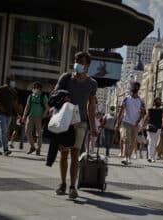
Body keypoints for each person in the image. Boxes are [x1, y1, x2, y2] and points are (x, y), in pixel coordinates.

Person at [53, 51, 97, 199]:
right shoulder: (65, 78)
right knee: (64, 153)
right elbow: (54, 94)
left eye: (81, 62)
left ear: (87, 65)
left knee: (75, 153)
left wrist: (94, 127)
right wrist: (62, 97)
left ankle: (72, 186)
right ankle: (62, 184)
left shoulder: (92, 83)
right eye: (76, 61)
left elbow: (91, 107)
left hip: (81, 122)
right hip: (65, 120)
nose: (77, 64)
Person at [115, 82, 145, 165]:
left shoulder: (141, 101)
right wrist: (117, 123)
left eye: (136, 87)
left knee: (133, 141)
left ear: (138, 89)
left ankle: (128, 157)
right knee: (126, 139)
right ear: (131, 88)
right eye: (133, 87)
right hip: (126, 122)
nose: (135, 88)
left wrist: (138, 121)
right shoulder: (126, 99)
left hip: (135, 124)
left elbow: (143, 112)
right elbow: (120, 111)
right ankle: (125, 157)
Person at [0, 77, 20, 156]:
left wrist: (19, 114)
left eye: (14, 81)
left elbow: (14, 104)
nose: (13, 83)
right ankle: (5, 149)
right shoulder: (1, 89)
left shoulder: (14, 91)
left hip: (9, 115)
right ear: (8, 82)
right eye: (12, 81)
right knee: (4, 132)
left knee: (2, 132)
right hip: (1, 114)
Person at [22, 82, 49, 156]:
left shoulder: (43, 96)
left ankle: (38, 149)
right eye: (34, 88)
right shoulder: (30, 96)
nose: (34, 89)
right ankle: (32, 146)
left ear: (40, 89)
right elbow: (27, 106)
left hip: (39, 117)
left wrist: (44, 115)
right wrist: (24, 115)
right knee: (27, 131)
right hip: (30, 116)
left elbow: (47, 108)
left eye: (36, 88)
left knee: (39, 134)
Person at [143, 97, 163, 163]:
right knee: (152, 142)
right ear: (154, 102)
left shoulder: (162, 110)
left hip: (159, 128)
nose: (158, 102)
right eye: (157, 101)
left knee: (156, 143)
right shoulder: (150, 109)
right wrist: (143, 125)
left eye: (159, 101)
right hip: (151, 127)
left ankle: (152, 156)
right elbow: (146, 117)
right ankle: (150, 157)